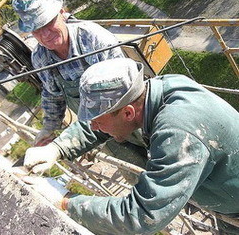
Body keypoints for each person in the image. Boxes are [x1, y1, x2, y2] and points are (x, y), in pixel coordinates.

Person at [52, 58, 238, 234]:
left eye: (97, 122)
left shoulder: (178, 134)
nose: (93, 127)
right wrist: (57, 148)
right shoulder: (160, 89)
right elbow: (108, 119)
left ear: (128, 113)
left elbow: (142, 215)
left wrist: (66, 202)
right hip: (228, 202)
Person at [12, 0, 148, 180]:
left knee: (166, 162)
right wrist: (49, 128)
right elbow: (53, 95)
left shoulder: (92, 39)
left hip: (130, 115)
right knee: (137, 176)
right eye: (36, 30)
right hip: (100, 128)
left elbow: (126, 88)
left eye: (47, 23)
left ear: (62, 12)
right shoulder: (41, 57)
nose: (45, 35)